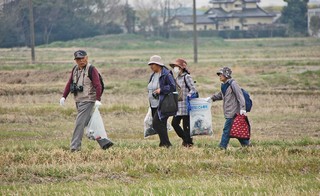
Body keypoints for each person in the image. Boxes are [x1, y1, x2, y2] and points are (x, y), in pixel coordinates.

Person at [59, 50, 113, 152]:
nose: (81, 61)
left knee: (79, 123)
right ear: (75, 60)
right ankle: (104, 142)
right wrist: (64, 96)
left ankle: (75, 147)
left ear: (86, 58)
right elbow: (69, 82)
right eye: (78, 59)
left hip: (88, 100)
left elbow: (98, 85)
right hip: (78, 100)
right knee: (89, 123)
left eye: (83, 58)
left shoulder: (91, 69)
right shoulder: (75, 69)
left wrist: (98, 99)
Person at [206, 67, 250, 149]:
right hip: (229, 112)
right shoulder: (224, 85)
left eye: (221, 74)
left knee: (226, 130)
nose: (219, 76)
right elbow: (221, 95)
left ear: (226, 75)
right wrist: (212, 98)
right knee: (235, 130)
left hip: (234, 112)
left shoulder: (233, 84)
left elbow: (240, 96)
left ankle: (222, 147)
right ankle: (246, 145)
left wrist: (242, 108)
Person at [147, 55, 176, 148]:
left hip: (163, 103)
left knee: (156, 123)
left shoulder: (166, 74)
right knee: (161, 124)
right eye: (150, 64)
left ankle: (166, 143)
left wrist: (161, 90)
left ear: (158, 64)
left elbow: (172, 86)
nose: (151, 66)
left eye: (153, 64)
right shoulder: (153, 75)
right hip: (153, 104)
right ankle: (164, 143)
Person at [169, 59, 198, 147]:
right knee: (174, 123)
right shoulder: (177, 77)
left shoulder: (187, 77)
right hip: (178, 106)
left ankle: (187, 143)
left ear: (181, 67)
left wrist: (189, 95)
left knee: (186, 126)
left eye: (176, 66)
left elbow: (193, 89)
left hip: (186, 106)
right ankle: (187, 140)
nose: (174, 68)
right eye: (174, 67)